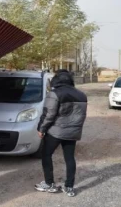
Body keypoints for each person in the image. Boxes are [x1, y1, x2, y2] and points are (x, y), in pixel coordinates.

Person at [35, 69, 88, 197]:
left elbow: (48, 114)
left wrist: (41, 129)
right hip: (72, 132)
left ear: (57, 80)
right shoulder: (82, 95)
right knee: (69, 158)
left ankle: (49, 184)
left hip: (55, 132)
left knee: (46, 155)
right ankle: (69, 187)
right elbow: (82, 116)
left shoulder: (54, 94)